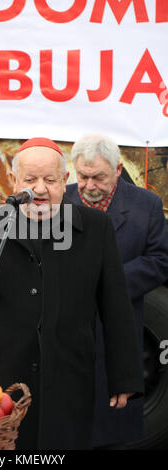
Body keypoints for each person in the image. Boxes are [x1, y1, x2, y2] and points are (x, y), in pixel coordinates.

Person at [0, 137, 144, 450]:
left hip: (68, 378)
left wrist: (124, 376)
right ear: (13, 180)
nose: (40, 190)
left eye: (50, 180)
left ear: (66, 180)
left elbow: (115, 305)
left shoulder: (96, 227)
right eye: (30, 180)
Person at [65, 134, 168, 448]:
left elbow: (161, 259)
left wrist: (110, 282)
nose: (90, 185)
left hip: (119, 331)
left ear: (118, 170)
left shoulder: (146, 204)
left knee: (117, 430)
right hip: (68, 332)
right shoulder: (60, 202)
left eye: (99, 177)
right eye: (83, 177)